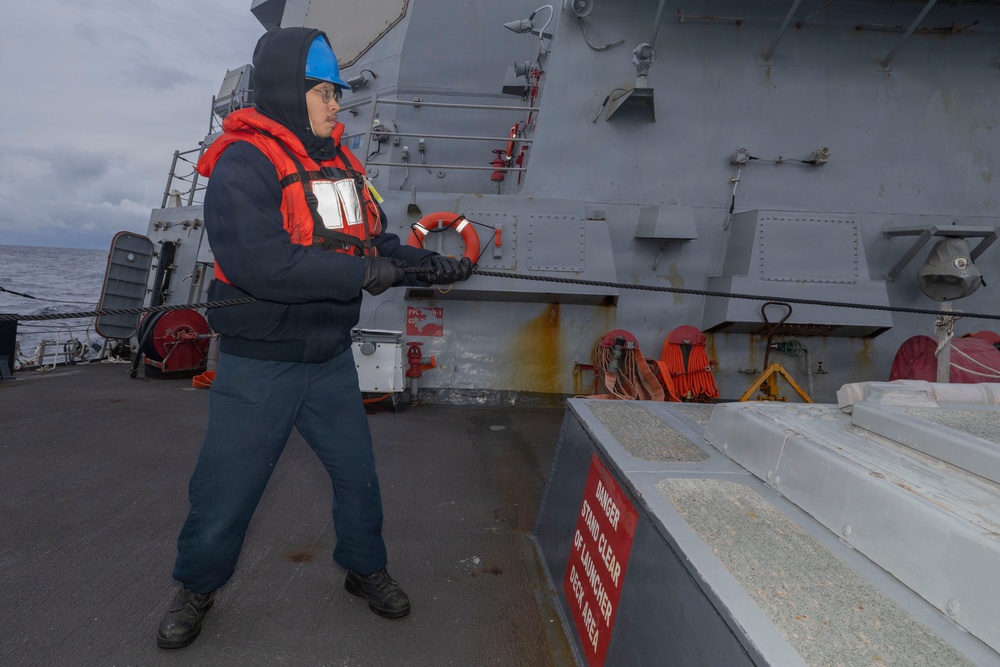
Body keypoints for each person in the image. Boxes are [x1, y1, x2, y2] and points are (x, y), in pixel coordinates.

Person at [156, 26, 474, 650]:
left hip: (328, 359)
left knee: (358, 476)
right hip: (258, 366)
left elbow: (370, 241)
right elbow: (263, 265)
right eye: (326, 92)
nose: (338, 104)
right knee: (226, 492)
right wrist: (365, 272)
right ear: (286, 90)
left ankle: (364, 568)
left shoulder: (342, 164)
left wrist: (420, 263)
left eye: (338, 93)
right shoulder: (242, 164)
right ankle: (196, 588)